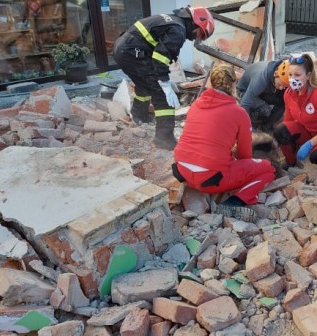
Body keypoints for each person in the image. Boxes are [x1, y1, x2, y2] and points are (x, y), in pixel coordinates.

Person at [172, 65, 276, 222]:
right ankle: (235, 202)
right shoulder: (239, 112)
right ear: (233, 85)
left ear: (211, 85)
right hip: (209, 179)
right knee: (268, 169)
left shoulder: (196, 104)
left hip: (182, 170)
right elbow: (244, 156)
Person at [113, 6, 215, 150]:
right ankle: (164, 139)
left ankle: (139, 116)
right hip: (131, 52)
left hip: (124, 49)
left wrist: (162, 79)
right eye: (200, 33)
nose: (198, 37)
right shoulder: (178, 31)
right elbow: (160, 58)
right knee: (161, 95)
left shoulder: (174, 22)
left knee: (145, 85)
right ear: (197, 23)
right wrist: (165, 84)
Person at [236, 59, 290, 131]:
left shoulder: (281, 80)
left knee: (283, 101)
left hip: (264, 91)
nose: (281, 88)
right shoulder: (261, 79)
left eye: (284, 86)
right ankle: (254, 123)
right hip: (244, 91)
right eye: (280, 84)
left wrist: (268, 125)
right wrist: (247, 128)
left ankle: (266, 127)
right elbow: (245, 104)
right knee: (265, 111)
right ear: (275, 74)